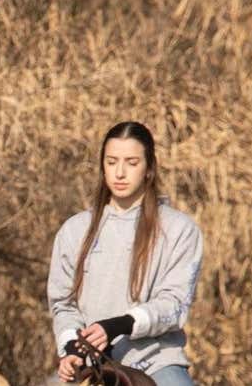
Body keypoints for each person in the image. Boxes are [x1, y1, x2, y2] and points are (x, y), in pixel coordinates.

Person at [47, 121, 204, 385]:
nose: (120, 173)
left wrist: (118, 325)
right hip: (90, 364)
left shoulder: (179, 229)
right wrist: (73, 348)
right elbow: (63, 303)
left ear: (149, 168)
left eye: (132, 163)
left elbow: (174, 304)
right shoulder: (74, 230)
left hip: (155, 363)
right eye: (111, 162)